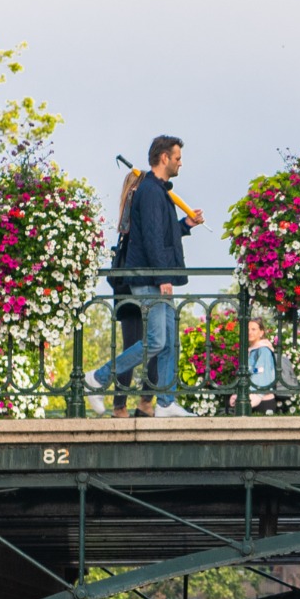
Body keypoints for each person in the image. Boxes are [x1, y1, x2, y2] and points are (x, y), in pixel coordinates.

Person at [87, 135, 196, 417]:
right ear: (164, 157)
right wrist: (162, 277)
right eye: (177, 157)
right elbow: (151, 238)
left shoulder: (156, 190)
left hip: (156, 276)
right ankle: (98, 378)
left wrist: (186, 224)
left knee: (169, 342)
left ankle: (166, 403)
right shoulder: (150, 191)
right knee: (157, 341)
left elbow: (162, 234)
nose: (180, 163)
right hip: (150, 279)